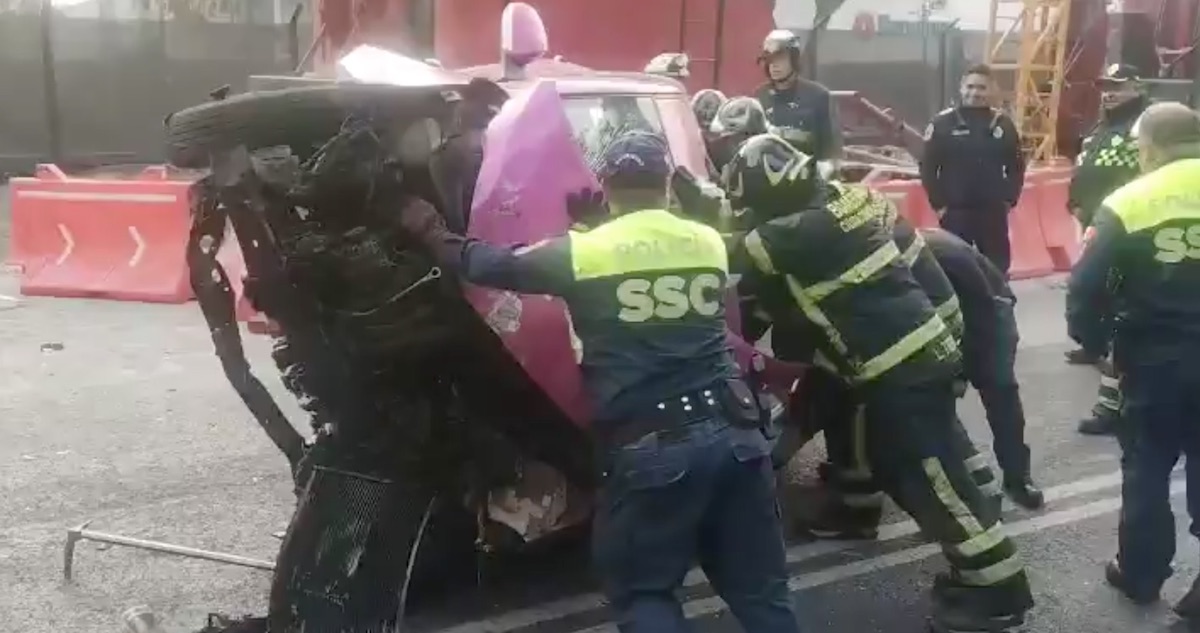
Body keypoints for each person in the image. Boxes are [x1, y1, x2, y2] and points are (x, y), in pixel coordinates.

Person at [399, 131, 801, 633]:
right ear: (667, 184)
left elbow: (484, 264)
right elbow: (653, 274)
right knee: (761, 593)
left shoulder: (582, 254)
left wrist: (431, 231)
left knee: (646, 594)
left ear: (606, 183)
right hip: (738, 437)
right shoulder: (706, 243)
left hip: (655, 450)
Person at [722, 133, 1033, 632]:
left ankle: (996, 592)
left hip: (899, 370)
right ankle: (979, 531)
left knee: (934, 482)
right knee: (938, 462)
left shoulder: (779, 238)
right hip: (925, 352)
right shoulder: (855, 200)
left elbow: (721, 253)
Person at [1065, 102, 1200, 620]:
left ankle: (1141, 574)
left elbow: (1085, 286)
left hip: (1153, 362)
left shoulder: (1130, 200)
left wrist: (1096, 346)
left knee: (1146, 467)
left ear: (1149, 148)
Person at [1065, 63, 1152, 436]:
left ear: (1137, 85)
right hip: (1100, 227)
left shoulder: (1146, 126)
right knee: (1112, 314)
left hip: (1128, 233)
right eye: (1106, 85)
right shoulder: (1103, 126)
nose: (1110, 91)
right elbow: (1087, 171)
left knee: (1121, 319)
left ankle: (1114, 404)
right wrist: (1076, 201)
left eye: (1118, 85)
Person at [920, 64, 1026, 275]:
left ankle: (999, 305)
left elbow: (1016, 166)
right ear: (961, 88)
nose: (975, 92)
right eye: (970, 87)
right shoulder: (942, 123)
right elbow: (928, 168)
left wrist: (1009, 200)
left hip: (993, 213)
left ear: (992, 90)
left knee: (997, 272)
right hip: (955, 214)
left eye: (981, 87)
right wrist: (939, 205)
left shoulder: (1004, 125)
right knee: (955, 272)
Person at [753, 30, 842, 170]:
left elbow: (831, 151)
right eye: (769, 60)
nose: (774, 65)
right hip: (766, 179)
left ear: (794, 60)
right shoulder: (760, 96)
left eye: (780, 58)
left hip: (807, 180)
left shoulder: (819, 96)